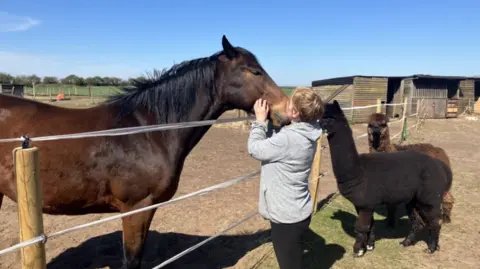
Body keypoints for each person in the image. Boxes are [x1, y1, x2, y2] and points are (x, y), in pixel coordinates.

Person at [248, 87, 324, 269]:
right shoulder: (310, 131)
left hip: (286, 218)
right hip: (299, 210)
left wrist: (259, 122)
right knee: (294, 255)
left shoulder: (288, 139)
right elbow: (282, 142)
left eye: (289, 103)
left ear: (295, 112)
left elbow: (255, 149)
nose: (286, 104)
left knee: (289, 264)